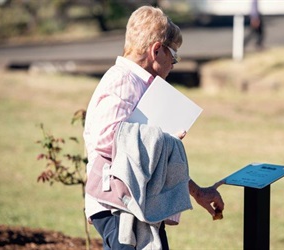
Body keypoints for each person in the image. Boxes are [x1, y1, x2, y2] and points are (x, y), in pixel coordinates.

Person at [83, 5, 225, 250]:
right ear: (156, 50)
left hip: (136, 203)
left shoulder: (139, 83)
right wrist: (164, 139)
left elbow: (144, 157)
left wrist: (196, 192)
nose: (174, 62)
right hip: (118, 207)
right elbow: (106, 138)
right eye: (173, 54)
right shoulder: (123, 80)